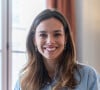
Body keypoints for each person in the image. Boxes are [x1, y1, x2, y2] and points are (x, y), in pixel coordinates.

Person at [14, 9, 100, 90]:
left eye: (57, 34)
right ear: (34, 40)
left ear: (65, 38)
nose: (50, 41)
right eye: (43, 35)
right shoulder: (23, 81)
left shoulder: (88, 76)